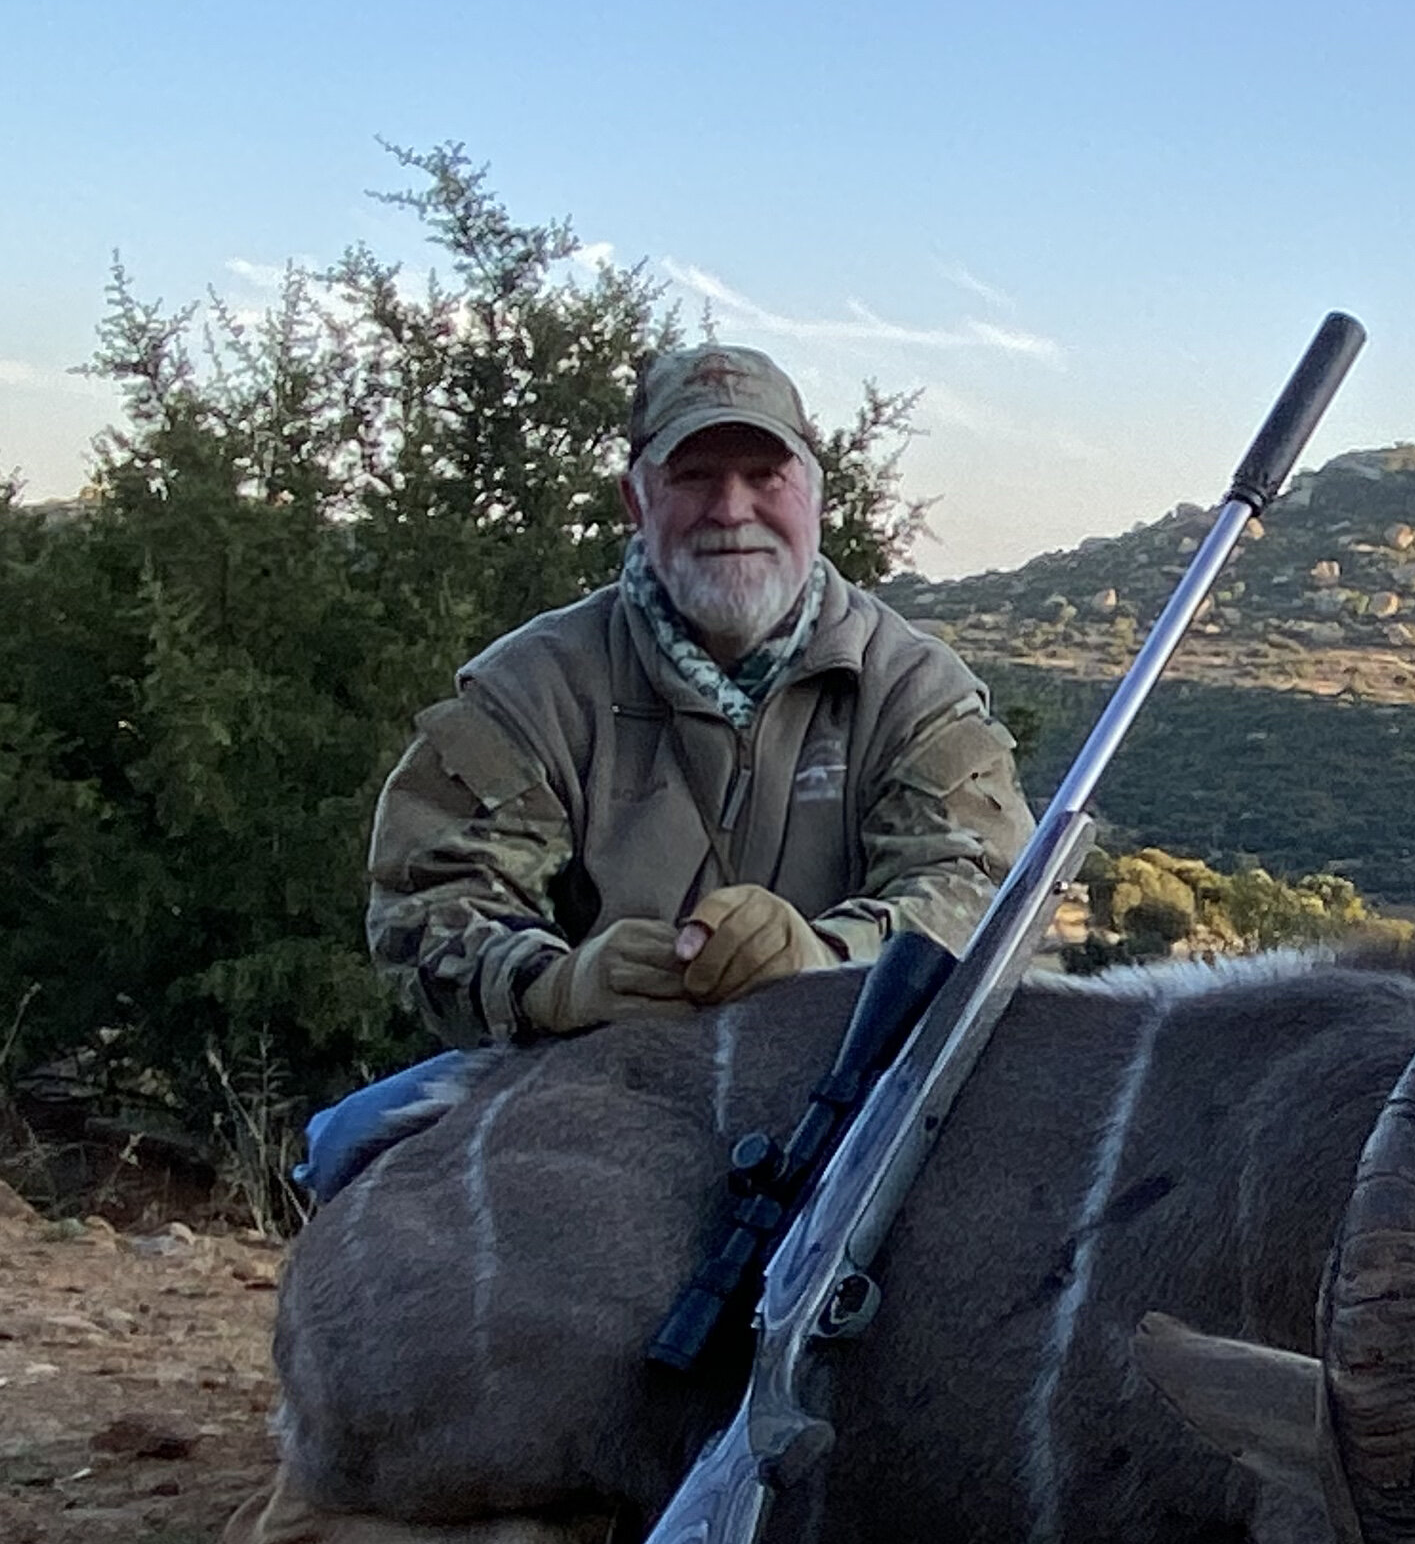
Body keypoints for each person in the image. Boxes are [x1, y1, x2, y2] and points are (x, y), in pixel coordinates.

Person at [366, 342, 1034, 1045]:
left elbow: (977, 889)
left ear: (815, 493)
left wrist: (826, 958)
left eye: (765, 476)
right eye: (694, 477)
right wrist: (551, 984)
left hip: (847, 1077)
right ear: (636, 499)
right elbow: (432, 899)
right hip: (581, 1076)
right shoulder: (528, 690)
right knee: (344, 1144)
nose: (730, 508)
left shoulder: (915, 690)